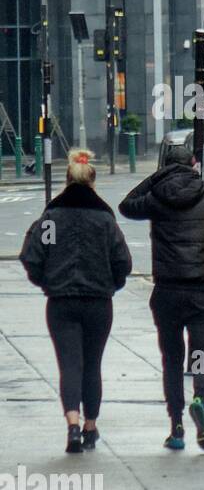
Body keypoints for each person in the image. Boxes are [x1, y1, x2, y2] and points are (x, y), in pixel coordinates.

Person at [120, 144, 204, 451]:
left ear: (166, 167)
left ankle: (177, 426)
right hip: (202, 292)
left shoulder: (157, 198)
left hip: (167, 292)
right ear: (195, 164)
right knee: (199, 354)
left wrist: (158, 178)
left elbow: (126, 205)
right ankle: (200, 398)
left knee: (171, 359)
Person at [20, 150, 132, 453]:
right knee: (92, 365)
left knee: (69, 364)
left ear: (66, 180)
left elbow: (31, 257)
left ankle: (71, 423)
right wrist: (111, 284)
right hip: (98, 302)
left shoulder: (52, 219)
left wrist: (46, 282)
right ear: (93, 182)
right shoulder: (105, 221)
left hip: (61, 302)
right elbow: (123, 261)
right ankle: (90, 426)